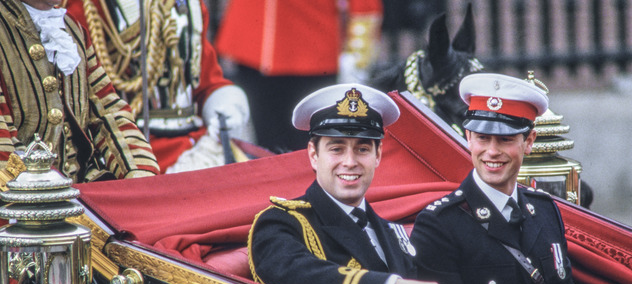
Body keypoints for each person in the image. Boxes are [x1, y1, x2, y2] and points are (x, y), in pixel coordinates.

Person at [249, 84, 458, 284]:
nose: (350, 162)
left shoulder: (390, 232)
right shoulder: (281, 223)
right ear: (314, 155)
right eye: (336, 149)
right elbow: (297, 275)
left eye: (362, 149)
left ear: (378, 155)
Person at [410, 73, 596, 284]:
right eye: (483, 139)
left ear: (529, 141)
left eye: (505, 140)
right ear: (468, 138)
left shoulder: (544, 210)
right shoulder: (440, 223)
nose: (492, 151)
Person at [66, 0, 250, 173]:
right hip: (133, 156)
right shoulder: (86, 7)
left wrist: (223, 103)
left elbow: (204, 79)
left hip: (200, 148)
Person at [0, 0, 159, 184]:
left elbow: (108, 112)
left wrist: (139, 177)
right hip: (21, 194)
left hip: (81, 189)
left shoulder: (72, 28)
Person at [215, 0, 382, 154]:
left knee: (309, 152)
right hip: (253, 40)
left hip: (311, 45)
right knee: (266, 152)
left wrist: (359, 49)